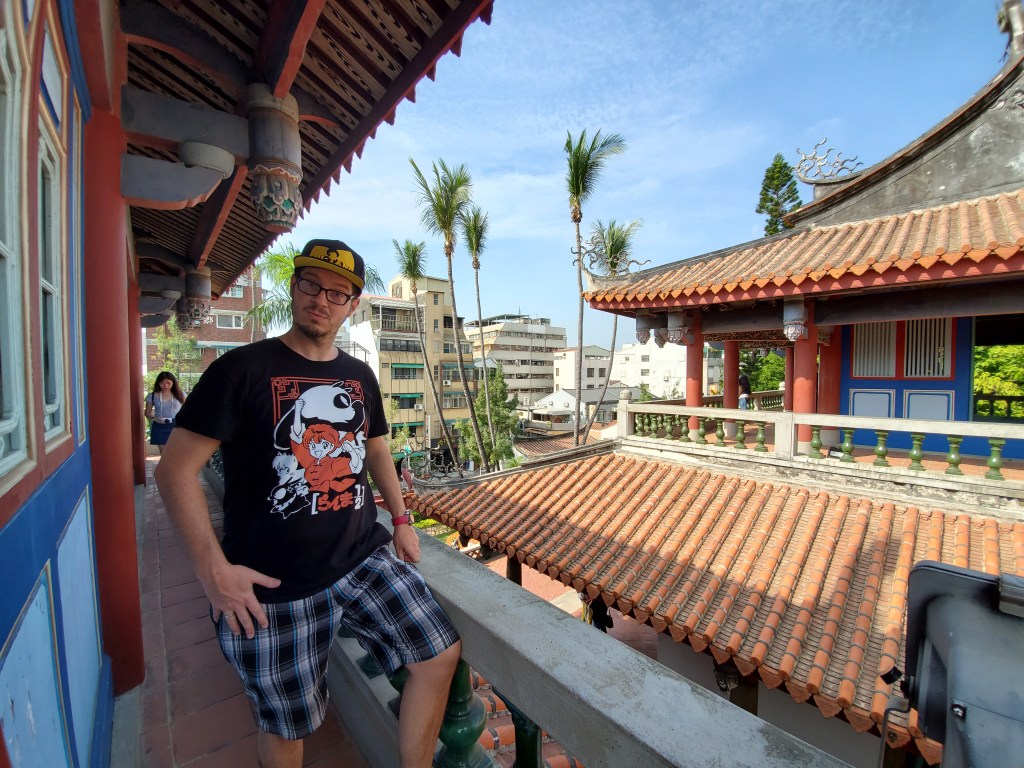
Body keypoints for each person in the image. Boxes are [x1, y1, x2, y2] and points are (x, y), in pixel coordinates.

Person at [155, 239, 461, 768]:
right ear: (294, 287)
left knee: (438, 652)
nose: (321, 299)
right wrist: (212, 572)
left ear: (352, 305)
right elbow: (174, 470)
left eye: (337, 293)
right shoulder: (240, 369)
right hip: (273, 585)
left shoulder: (359, 376)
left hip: (361, 556)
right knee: (286, 726)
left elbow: (375, 447)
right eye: (311, 284)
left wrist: (402, 519)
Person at [145, 371, 186, 454]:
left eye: (168, 383)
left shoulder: (181, 394)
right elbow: (147, 413)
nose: (165, 385)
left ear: (173, 383)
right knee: (163, 452)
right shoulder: (152, 396)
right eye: (162, 383)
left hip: (176, 425)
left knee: (175, 451)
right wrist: (154, 418)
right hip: (159, 425)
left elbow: (187, 411)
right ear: (158, 383)